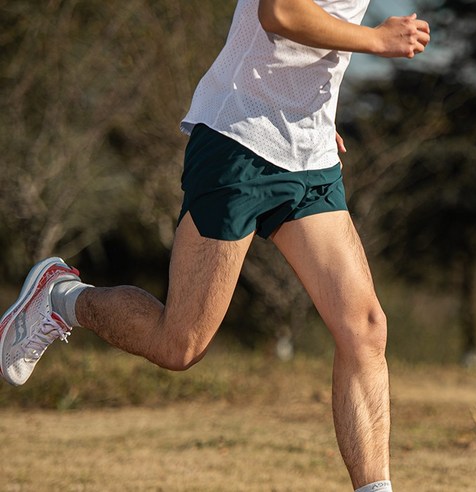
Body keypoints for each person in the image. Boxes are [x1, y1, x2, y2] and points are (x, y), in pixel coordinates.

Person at [0, 1, 430, 490]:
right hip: (239, 143)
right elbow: (281, 12)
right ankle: (61, 297)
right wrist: (377, 39)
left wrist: (314, 106)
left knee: (365, 329)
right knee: (179, 345)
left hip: (309, 152)